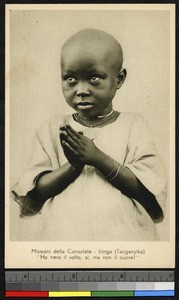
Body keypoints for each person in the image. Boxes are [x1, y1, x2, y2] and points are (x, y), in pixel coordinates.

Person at [12, 28, 167, 241]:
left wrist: (97, 158)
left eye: (94, 78)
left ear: (119, 79)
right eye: (70, 79)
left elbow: (149, 195)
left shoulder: (135, 125)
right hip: (62, 240)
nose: (81, 90)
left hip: (124, 240)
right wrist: (72, 167)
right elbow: (34, 195)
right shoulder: (51, 129)